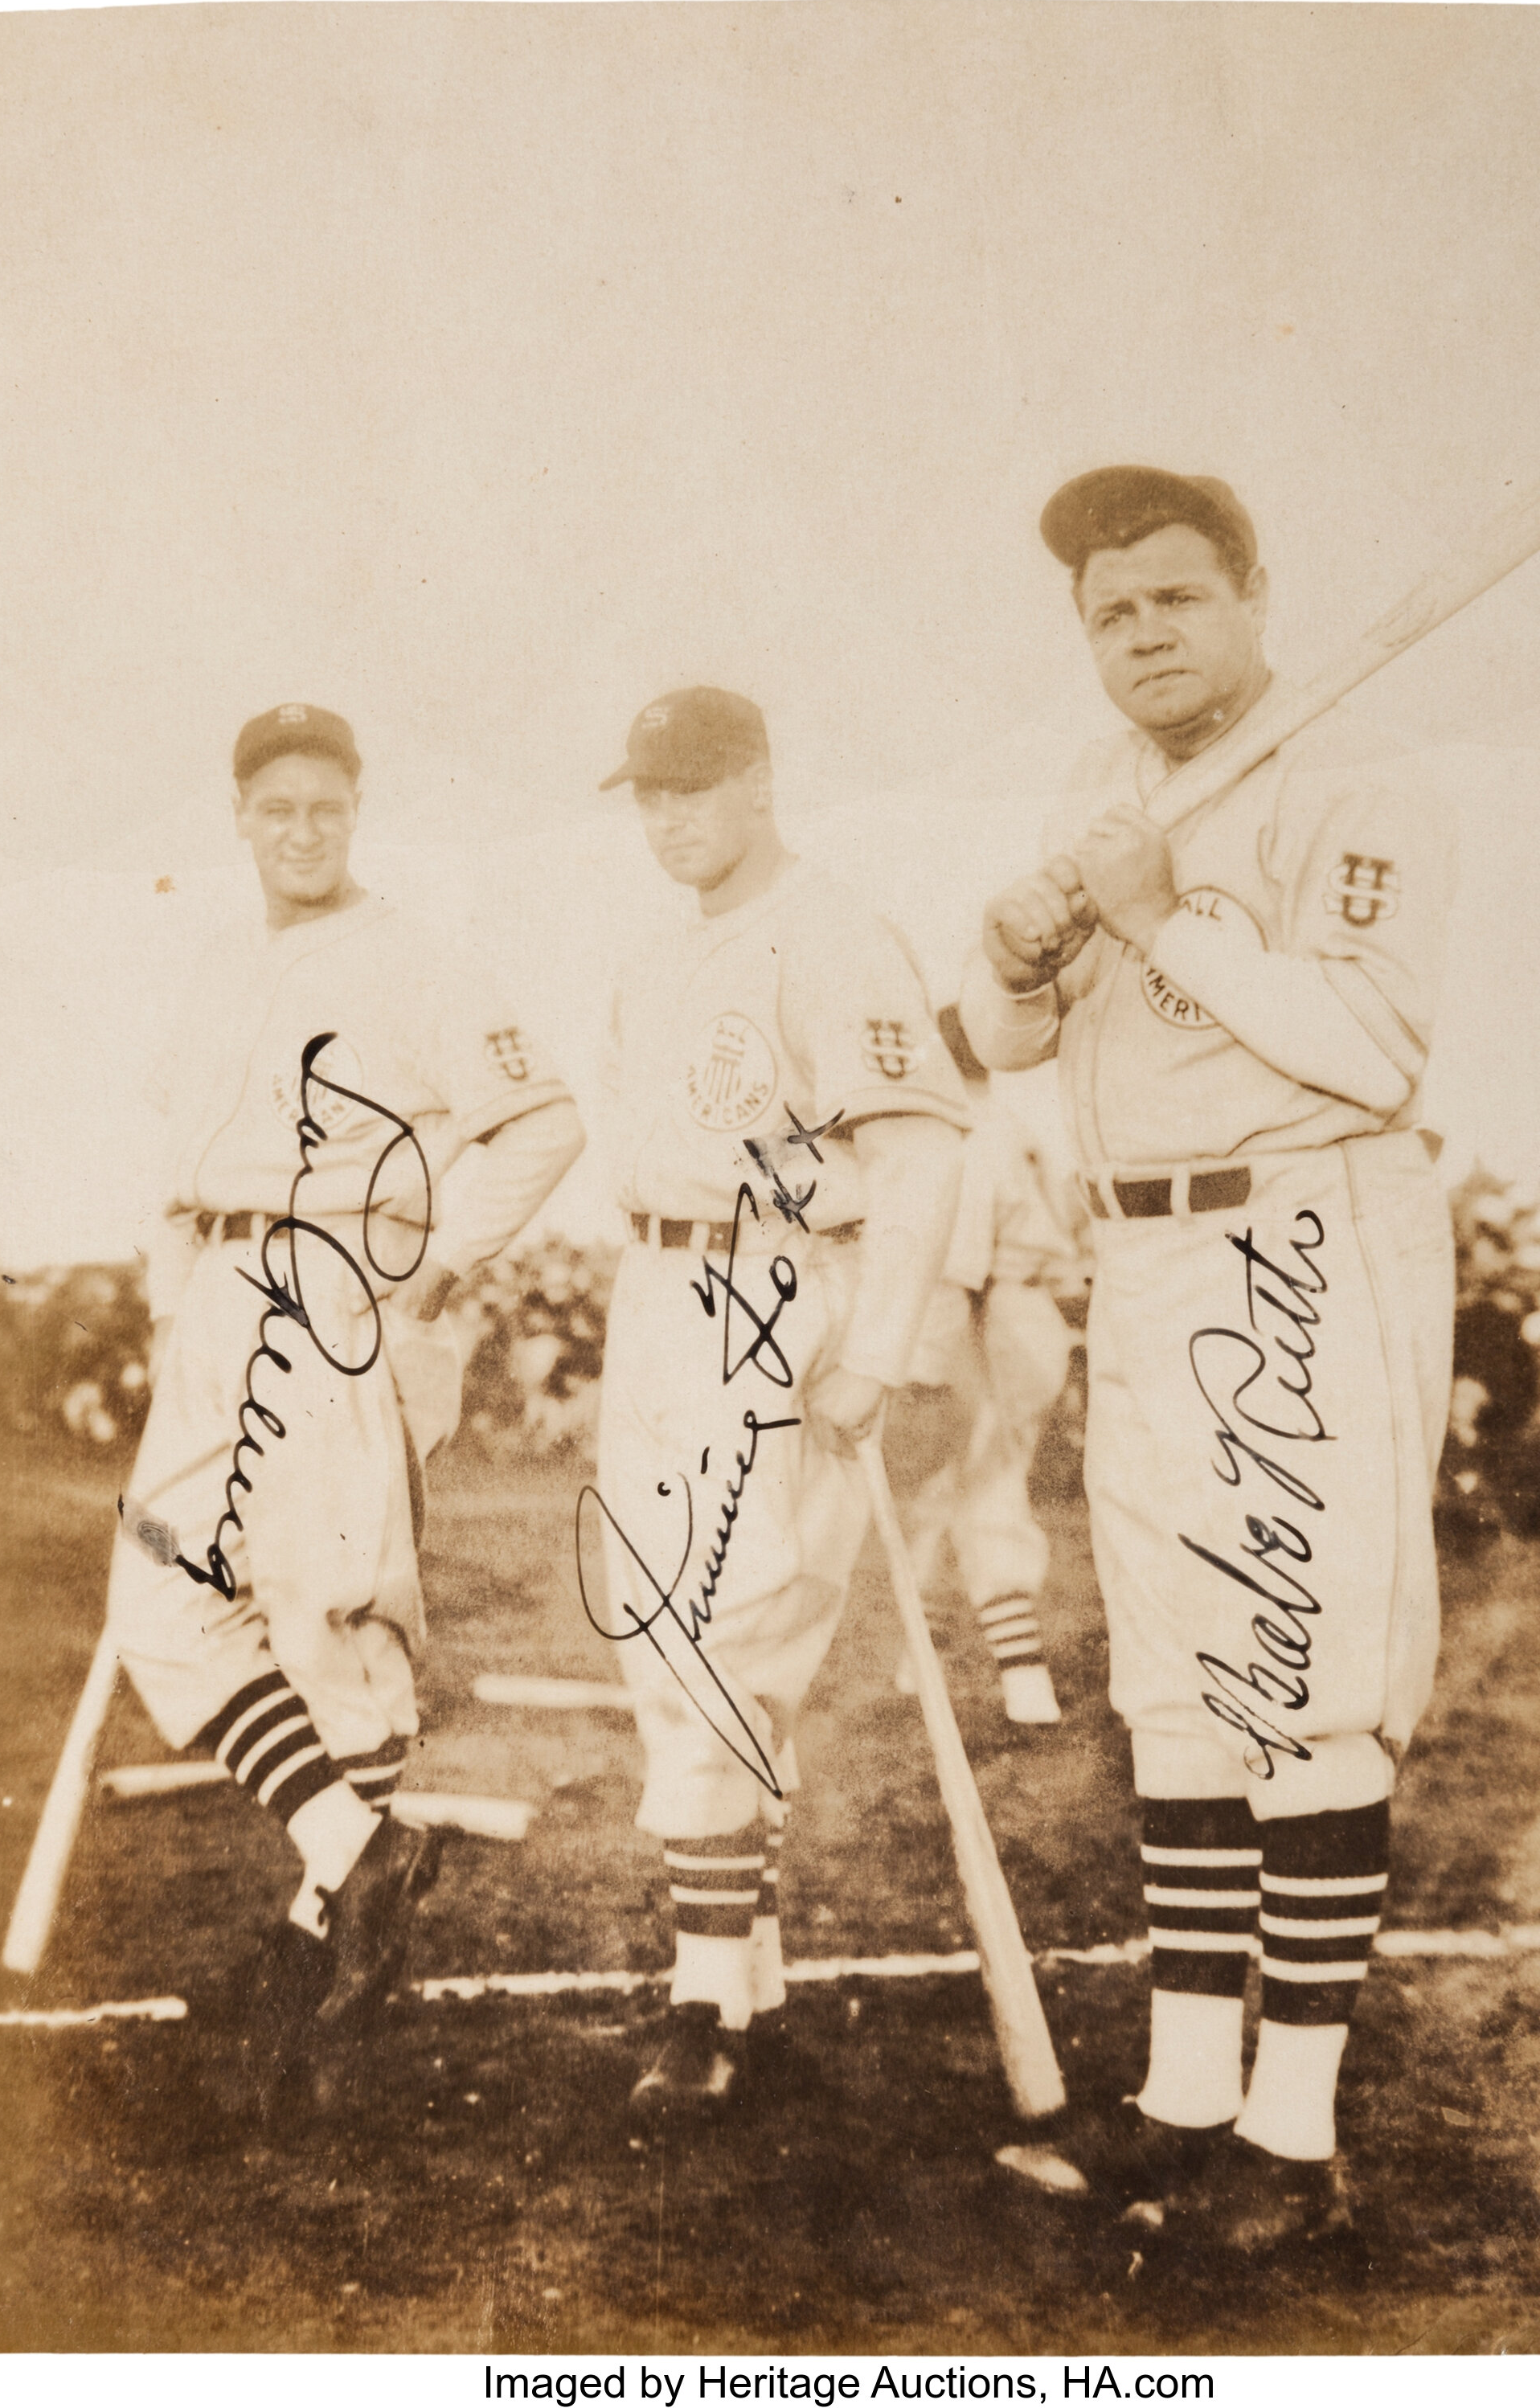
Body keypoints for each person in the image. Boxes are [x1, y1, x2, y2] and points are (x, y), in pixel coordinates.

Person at [960, 469, 1456, 2249]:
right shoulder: (1104, 787)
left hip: (1306, 1229)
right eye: (1109, 613)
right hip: (1146, 1248)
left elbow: (1372, 1050)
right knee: (1173, 1685)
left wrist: (1165, 915)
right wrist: (1022, 958)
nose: (1142, 633)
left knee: (1302, 1683)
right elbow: (1010, 1040)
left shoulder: (1354, 782)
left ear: (1251, 595)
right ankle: (1182, 2099)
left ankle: (1293, 2135)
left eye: (1174, 597)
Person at [110, 702, 584, 2087]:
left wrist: (425, 1271)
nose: (301, 830)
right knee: (161, 1602)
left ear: (357, 809)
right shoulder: (212, 969)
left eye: (326, 805)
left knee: (329, 1631)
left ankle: (324, 1937)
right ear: (241, 818)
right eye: (276, 808)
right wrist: (163, 1314)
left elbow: (542, 1122)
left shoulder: (415, 960)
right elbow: (174, 1167)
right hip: (213, 1301)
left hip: (329, 1301)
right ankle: (353, 1856)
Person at [590, 686, 968, 2121]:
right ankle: (746, 1979)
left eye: (692, 786)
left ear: (758, 778)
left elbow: (920, 1151)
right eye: (646, 793)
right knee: (662, 1635)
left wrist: (873, 1343)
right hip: (656, 1300)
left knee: (724, 1638)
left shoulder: (835, 933)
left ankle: (699, 2010)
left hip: (773, 1300)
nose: (668, 815)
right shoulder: (651, 959)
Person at [891, 1005, 1086, 1726]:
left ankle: (1023, 1675)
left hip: (989, 1320)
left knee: (979, 1489)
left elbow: (959, 1271)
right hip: (1026, 1312)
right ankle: (922, 1658)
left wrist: (937, 1370)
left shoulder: (963, 1135)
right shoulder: (1008, 1125)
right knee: (951, 1490)